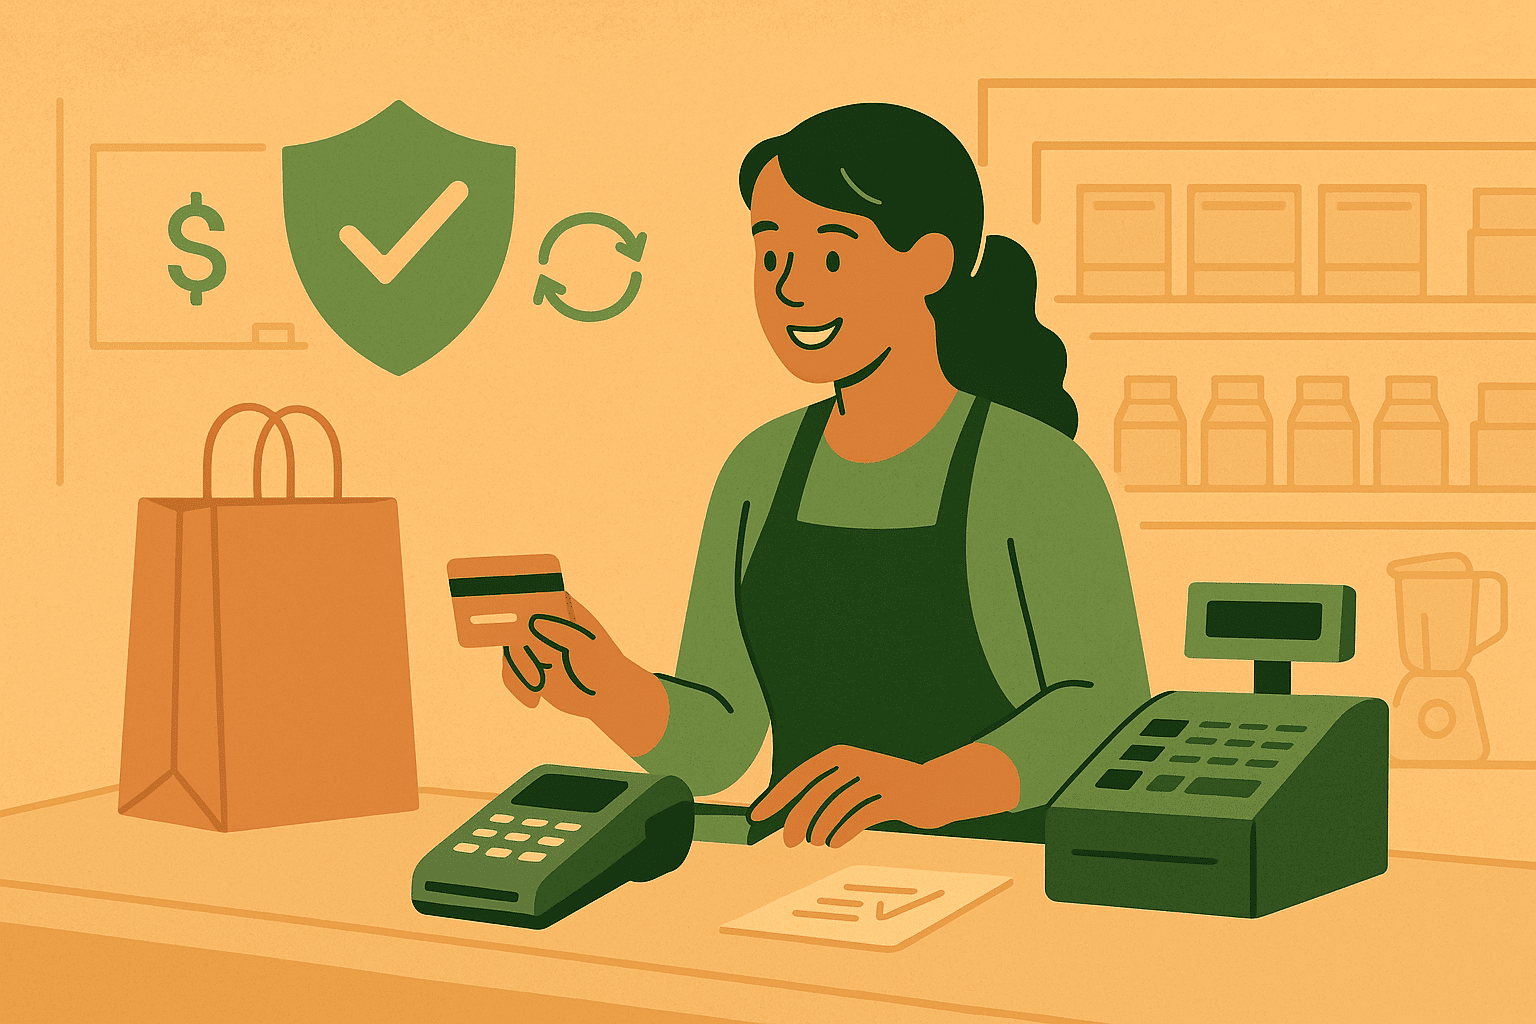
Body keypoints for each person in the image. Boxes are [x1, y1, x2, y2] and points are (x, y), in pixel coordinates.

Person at [507, 102, 1150, 848]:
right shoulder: (759, 468)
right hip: (798, 874)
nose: (790, 289)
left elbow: (1106, 709)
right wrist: (610, 689)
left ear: (929, 263)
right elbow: (720, 742)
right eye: (771, 254)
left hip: (997, 881)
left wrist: (930, 788)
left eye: (832, 256)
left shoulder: (1034, 471)